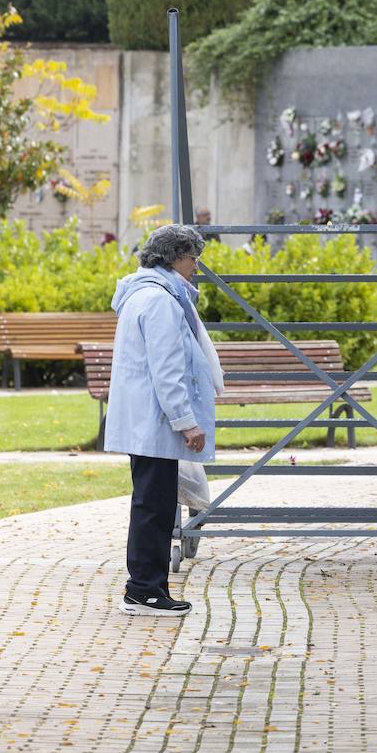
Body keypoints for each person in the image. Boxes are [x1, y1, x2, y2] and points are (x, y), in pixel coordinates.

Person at [104, 224, 225, 616]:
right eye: (193, 259)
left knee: (150, 504)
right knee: (153, 507)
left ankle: (145, 588)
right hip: (154, 422)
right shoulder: (159, 301)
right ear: (174, 257)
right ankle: (144, 590)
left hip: (148, 422)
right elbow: (167, 370)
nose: (196, 267)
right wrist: (187, 422)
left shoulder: (147, 294)